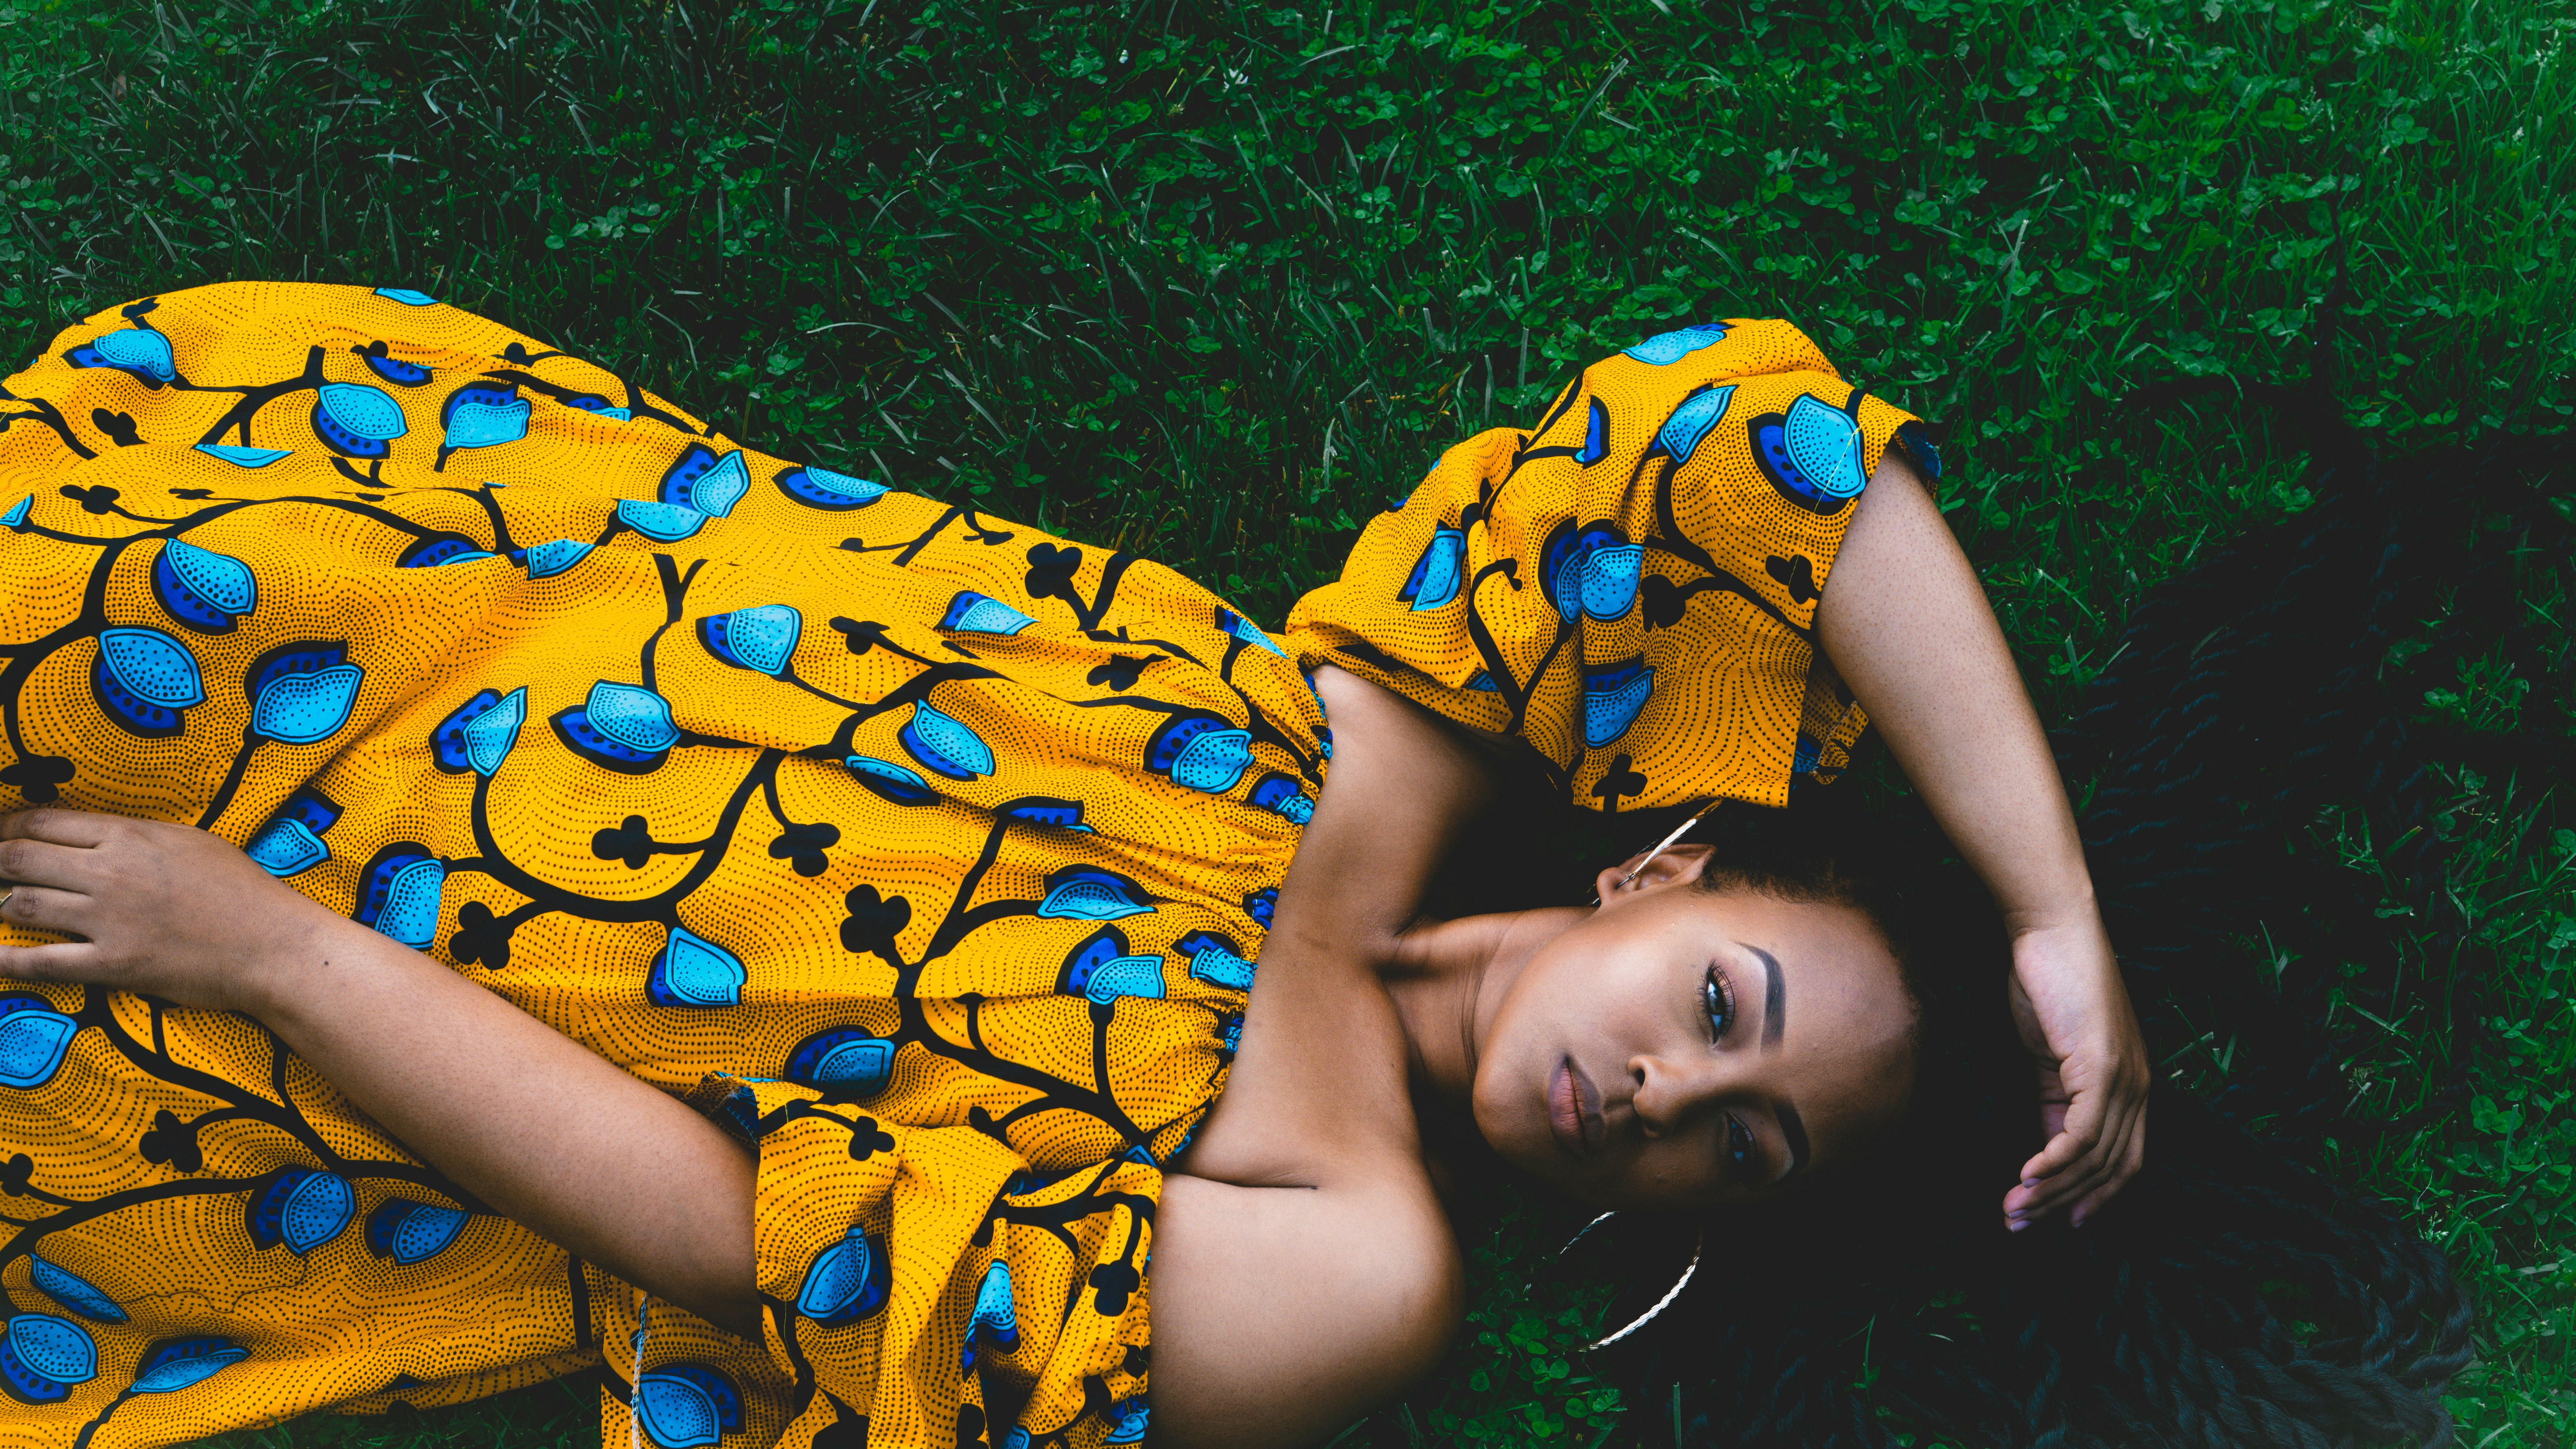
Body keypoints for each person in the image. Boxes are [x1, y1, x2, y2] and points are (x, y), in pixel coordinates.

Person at [0, 284, 2461, 1449]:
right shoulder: (1368, 711)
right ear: (1662, 873)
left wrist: (268, 949)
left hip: (311, 976)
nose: (1672, 1096)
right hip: (415, 596)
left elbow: (723, 1232)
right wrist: (2051, 915)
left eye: (1747, 1138)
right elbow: (1751, 437)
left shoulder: (1350, 1264)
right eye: (1726, 1008)